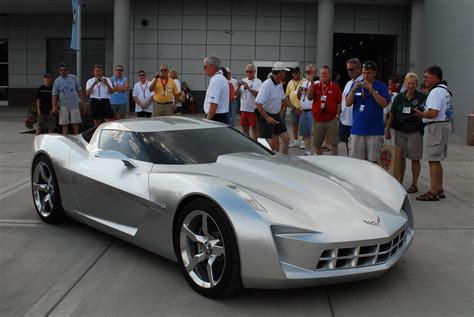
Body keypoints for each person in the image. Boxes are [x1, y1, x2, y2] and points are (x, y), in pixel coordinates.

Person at [414, 65, 452, 201]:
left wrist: (421, 114)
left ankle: (433, 191)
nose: (424, 80)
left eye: (426, 77)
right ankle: (439, 189)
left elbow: (433, 112)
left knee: (433, 160)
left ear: (435, 77)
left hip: (435, 127)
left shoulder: (436, 92)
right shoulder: (444, 90)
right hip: (444, 126)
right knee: (437, 159)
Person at [385, 72, 426, 193]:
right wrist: (387, 128)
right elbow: (392, 113)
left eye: (413, 83)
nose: (411, 86)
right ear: (405, 84)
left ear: (417, 84)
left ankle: (414, 184)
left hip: (415, 132)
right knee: (401, 158)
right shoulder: (399, 97)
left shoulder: (422, 97)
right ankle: (400, 181)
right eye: (409, 83)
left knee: (415, 158)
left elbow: (427, 112)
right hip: (400, 131)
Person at [345, 60, 390, 162]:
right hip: (357, 130)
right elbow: (348, 103)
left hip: (374, 131)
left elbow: (384, 103)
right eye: (364, 73)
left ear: (375, 73)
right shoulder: (356, 85)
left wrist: (372, 91)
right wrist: (353, 90)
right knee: (357, 162)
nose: (365, 76)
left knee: (373, 163)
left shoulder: (381, 86)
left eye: (368, 73)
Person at [255, 62, 301, 154]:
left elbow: (284, 100)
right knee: (267, 143)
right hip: (264, 115)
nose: (285, 74)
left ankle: (283, 159)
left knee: (286, 139)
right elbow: (258, 103)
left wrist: (295, 108)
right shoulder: (266, 85)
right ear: (280, 73)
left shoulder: (279, 84)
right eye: (284, 72)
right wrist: (267, 118)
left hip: (275, 115)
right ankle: (266, 161)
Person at [307, 65, 342, 156]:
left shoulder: (335, 86)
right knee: (317, 144)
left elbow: (339, 103)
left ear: (329, 74)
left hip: (331, 120)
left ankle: (334, 161)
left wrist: (337, 116)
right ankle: (320, 161)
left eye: (325, 73)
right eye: (322, 73)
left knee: (334, 143)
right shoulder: (316, 85)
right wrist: (311, 83)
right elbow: (309, 97)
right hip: (318, 120)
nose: (323, 75)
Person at [52, 63, 85, 136]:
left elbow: (79, 90)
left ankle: (76, 136)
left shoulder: (73, 78)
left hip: (74, 103)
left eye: (64, 70)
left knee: (75, 121)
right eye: (61, 70)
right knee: (64, 122)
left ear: (67, 70)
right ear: (59, 71)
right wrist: (54, 106)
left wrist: (82, 101)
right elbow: (54, 94)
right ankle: (65, 136)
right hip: (63, 104)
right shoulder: (57, 81)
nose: (63, 71)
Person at [340, 58, 363, 155]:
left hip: (356, 121)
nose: (349, 72)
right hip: (345, 120)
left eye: (351, 69)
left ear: (359, 69)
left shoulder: (363, 83)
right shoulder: (349, 83)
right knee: (348, 147)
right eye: (348, 70)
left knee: (356, 150)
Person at [235, 64, 261, 140]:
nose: (248, 73)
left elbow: (259, 94)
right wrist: (238, 86)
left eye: (250, 72)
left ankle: (256, 145)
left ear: (254, 72)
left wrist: (249, 89)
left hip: (253, 109)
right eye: (247, 72)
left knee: (254, 129)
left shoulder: (258, 81)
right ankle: (248, 144)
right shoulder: (243, 80)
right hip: (243, 109)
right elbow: (236, 94)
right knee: (244, 129)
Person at [297, 64, 317, 155]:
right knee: (306, 133)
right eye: (306, 72)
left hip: (311, 110)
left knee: (314, 132)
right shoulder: (304, 83)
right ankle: (308, 150)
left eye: (308, 72)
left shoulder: (317, 83)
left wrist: (307, 90)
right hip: (303, 110)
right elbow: (298, 97)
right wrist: (298, 91)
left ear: (314, 72)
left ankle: (316, 151)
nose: (307, 73)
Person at [202, 56, 229, 123]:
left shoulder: (216, 80)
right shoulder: (222, 78)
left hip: (215, 116)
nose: (203, 69)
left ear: (212, 67)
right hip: (221, 115)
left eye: (205, 67)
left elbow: (214, 103)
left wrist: (208, 120)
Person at [286, 67, 304, 148]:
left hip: (302, 108)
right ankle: (296, 141)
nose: (295, 74)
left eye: (296, 73)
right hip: (293, 107)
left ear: (299, 73)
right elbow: (287, 95)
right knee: (294, 124)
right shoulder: (290, 82)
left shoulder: (304, 81)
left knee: (303, 125)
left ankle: (303, 141)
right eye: (293, 73)